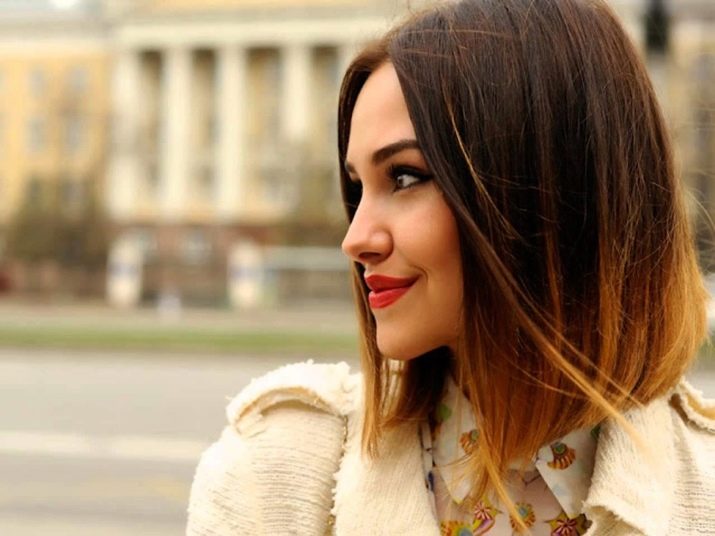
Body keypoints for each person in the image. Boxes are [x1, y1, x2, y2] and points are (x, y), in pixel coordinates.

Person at [186, 0, 715, 534]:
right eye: (357, 187)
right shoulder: (276, 473)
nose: (355, 240)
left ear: (550, 190)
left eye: (404, 177)